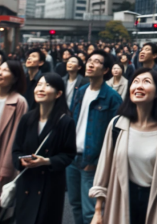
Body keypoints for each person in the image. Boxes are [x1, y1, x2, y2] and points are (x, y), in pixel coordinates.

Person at [89, 68, 157, 224]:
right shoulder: (117, 125)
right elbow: (104, 169)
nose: (138, 86)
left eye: (146, 82)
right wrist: (98, 211)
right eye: (135, 82)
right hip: (121, 198)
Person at [12, 73, 77, 224]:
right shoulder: (27, 119)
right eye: (39, 84)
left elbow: (68, 154)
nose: (40, 89)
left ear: (58, 93)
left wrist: (47, 161)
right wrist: (21, 162)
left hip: (50, 185)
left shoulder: (65, 122)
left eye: (47, 85)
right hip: (27, 181)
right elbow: (16, 150)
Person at [67, 50, 122, 224]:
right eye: (89, 60)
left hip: (92, 160)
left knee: (91, 212)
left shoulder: (112, 97)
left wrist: (99, 162)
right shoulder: (80, 91)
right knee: (75, 204)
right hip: (72, 157)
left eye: (97, 62)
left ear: (105, 70)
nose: (90, 64)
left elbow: (116, 134)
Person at [0, 61, 28, 196]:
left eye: (5, 70)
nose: (0, 73)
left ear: (15, 78)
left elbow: (15, 140)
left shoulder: (19, 102)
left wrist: (5, 169)